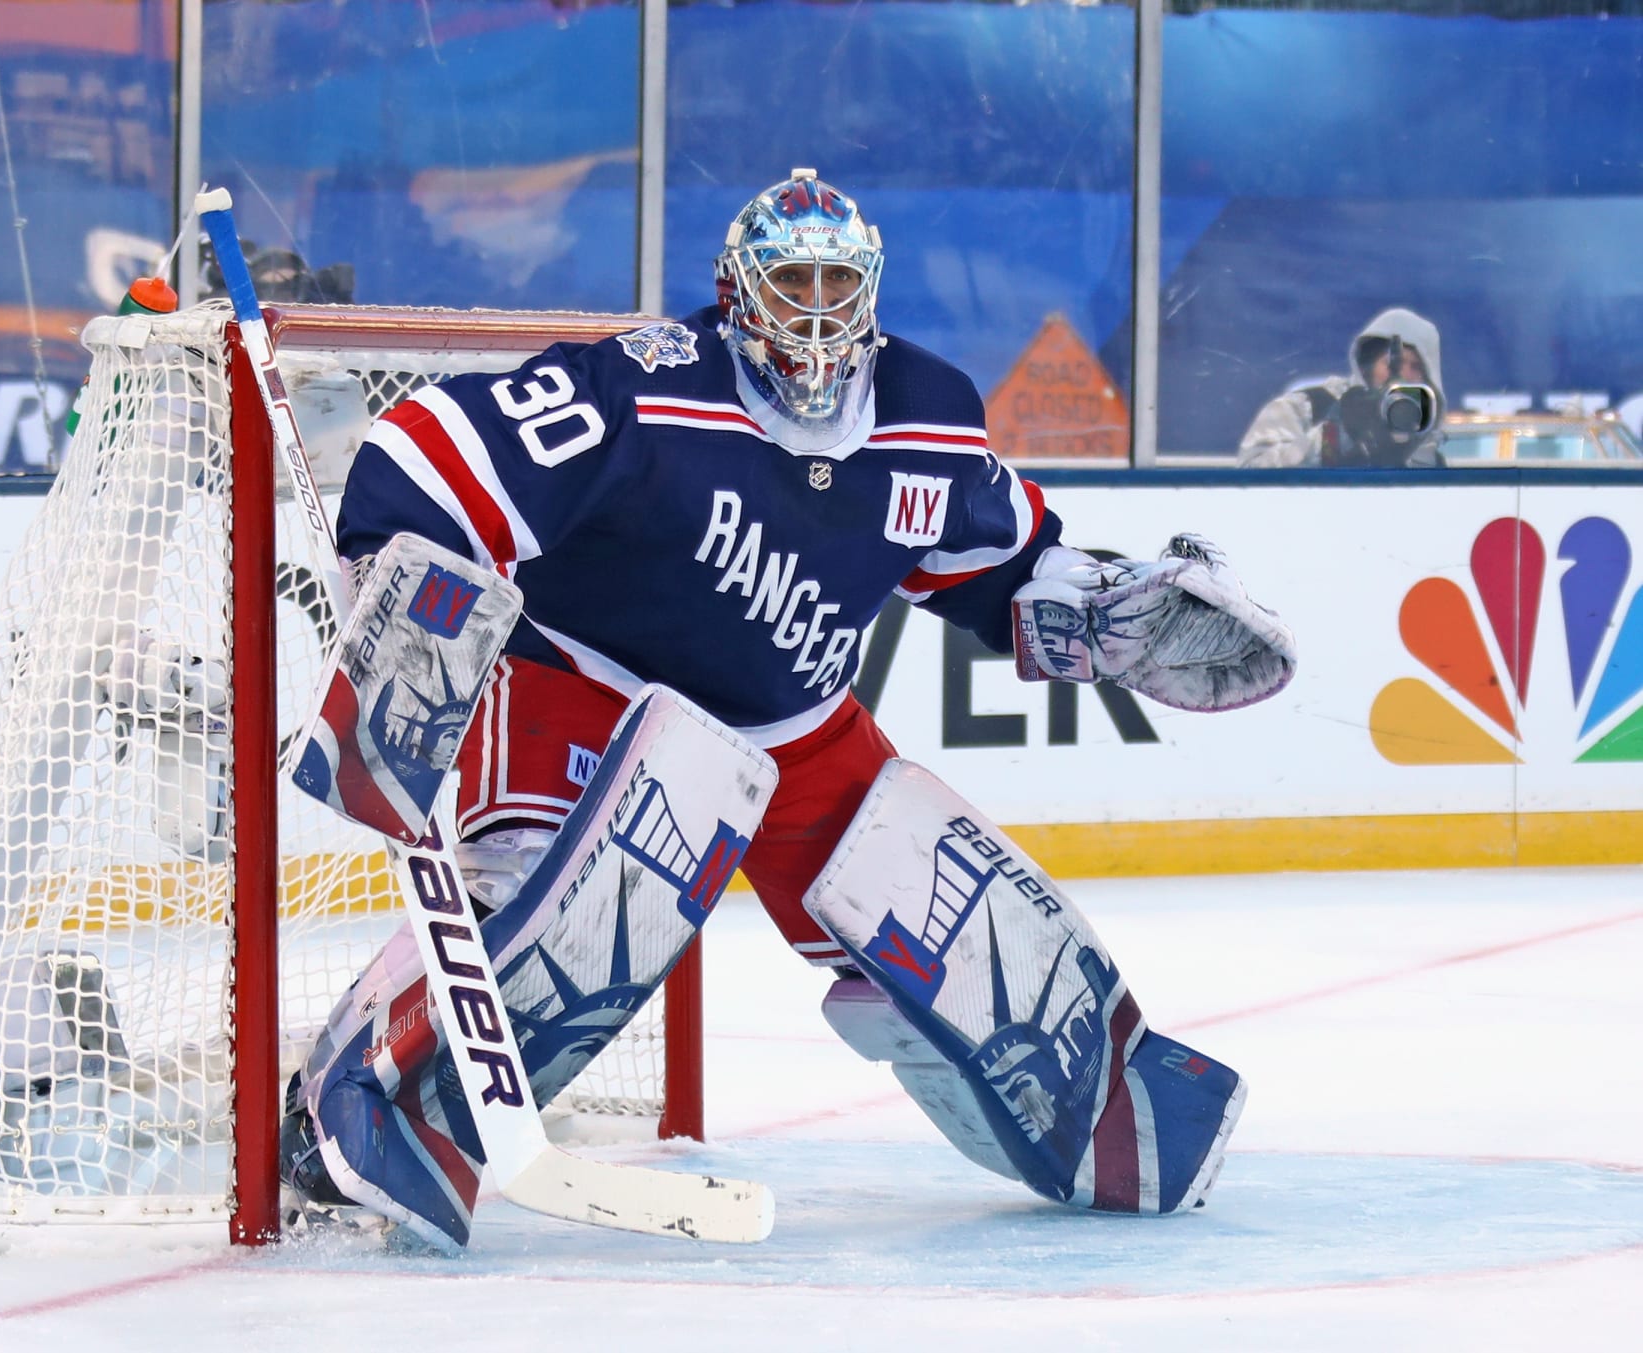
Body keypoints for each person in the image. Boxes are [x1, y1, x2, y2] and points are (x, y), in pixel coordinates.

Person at [277, 169, 1296, 1248]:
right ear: (734, 293)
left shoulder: (930, 416)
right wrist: (400, 561)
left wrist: (1090, 606)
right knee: (563, 923)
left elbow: (1001, 561)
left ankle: (1106, 1119)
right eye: (790, 285)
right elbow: (431, 455)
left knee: (964, 937)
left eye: (836, 285)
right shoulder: (643, 387)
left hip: (796, 729)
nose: (814, 313)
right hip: (585, 690)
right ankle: (351, 1104)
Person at [1239, 307, 1447, 468]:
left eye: (1416, 367)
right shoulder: (1306, 408)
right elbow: (1247, 476)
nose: (1403, 375)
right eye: (1392, 364)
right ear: (1368, 365)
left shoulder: (1426, 449)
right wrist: (1332, 440)